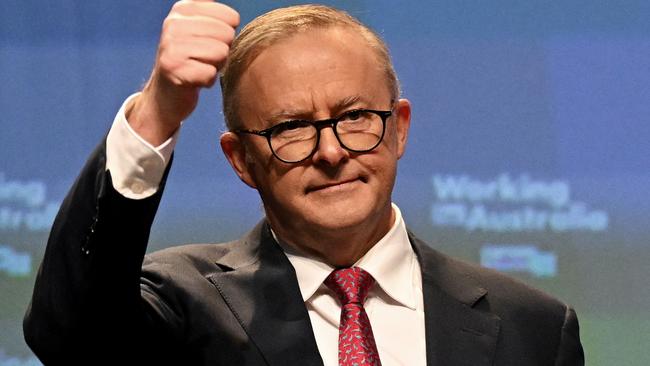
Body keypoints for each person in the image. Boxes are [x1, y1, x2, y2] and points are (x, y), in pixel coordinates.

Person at [24, 1, 584, 365]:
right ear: (241, 159)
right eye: (292, 128)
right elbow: (69, 337)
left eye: (356, 117)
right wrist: (156, 114)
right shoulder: (181, 302)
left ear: (400, 128)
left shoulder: (531, 326)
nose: (333, 151)